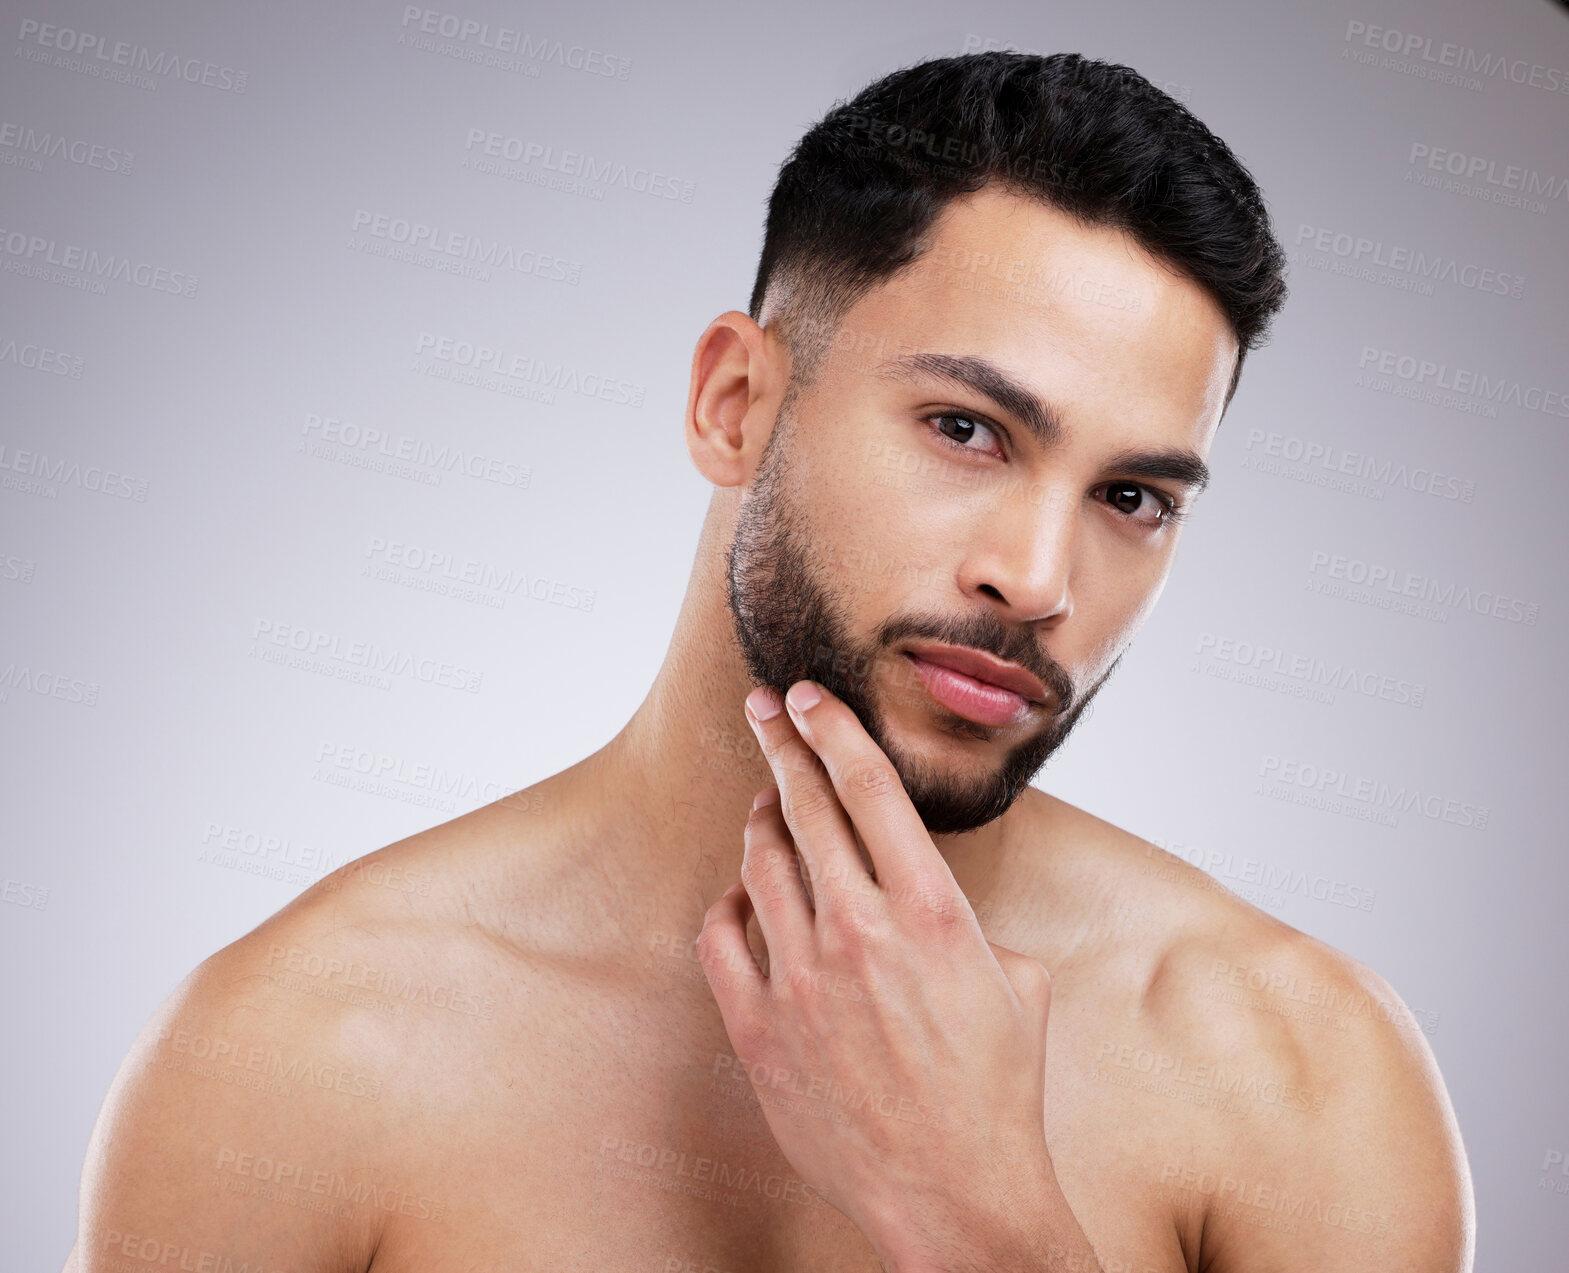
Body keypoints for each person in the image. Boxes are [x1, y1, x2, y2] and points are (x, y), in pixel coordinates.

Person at [64, 51, 1472, 1273]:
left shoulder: (1297, 1073)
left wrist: (978, 1214)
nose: (1036, 581)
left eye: (1132, 499)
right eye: (967, 430)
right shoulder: (295, 1059)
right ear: (735, 404)